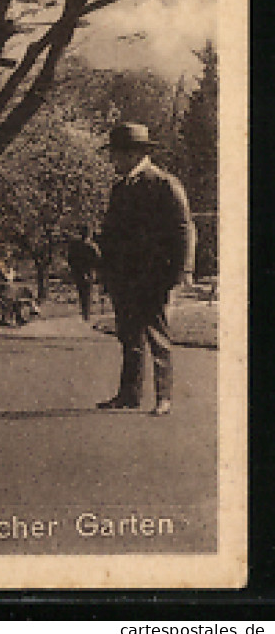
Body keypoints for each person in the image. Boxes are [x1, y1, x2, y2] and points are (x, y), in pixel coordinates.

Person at [95, 122, 194, 416]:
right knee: (129, 336)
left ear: (134, 153)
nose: (113, 160)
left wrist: (184, 270)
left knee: (157, 336)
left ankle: (164, 397)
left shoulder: (165, 183)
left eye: (117, 154)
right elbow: (113, 233)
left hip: (154, 275)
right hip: (123, 276)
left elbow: (184, 228)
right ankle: (129, 394)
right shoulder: (120, 187)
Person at [66, 226, 101, 322]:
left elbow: (70, 259)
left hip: (80, 271)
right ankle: (86, 313)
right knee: (87, 292)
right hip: (86, 271)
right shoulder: (91, 246)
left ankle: (85, 313)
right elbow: (98, 260)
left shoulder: (75, 245)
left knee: (83, 293)